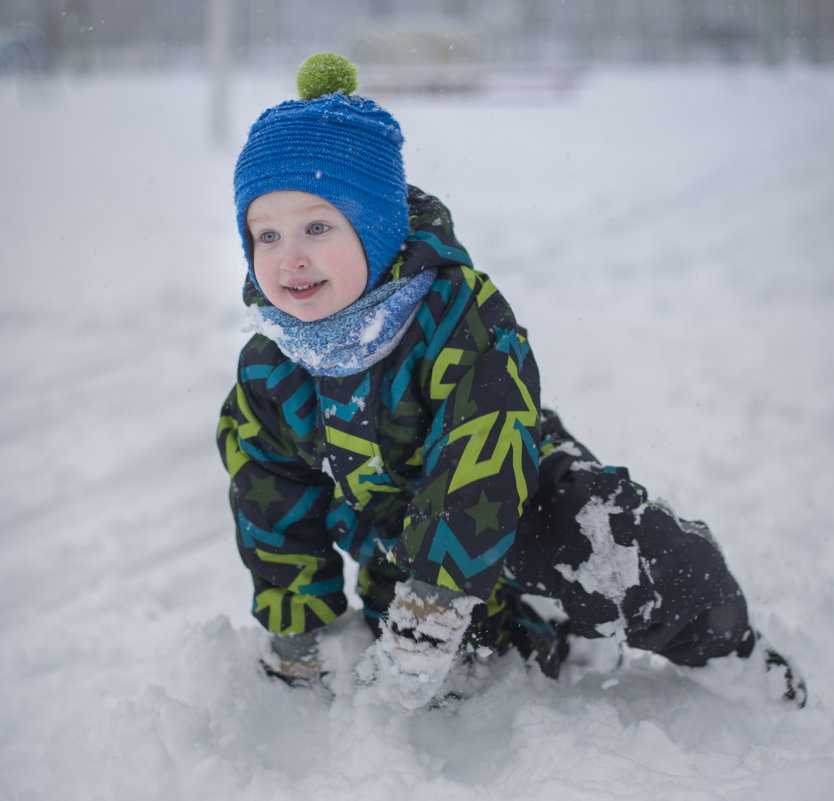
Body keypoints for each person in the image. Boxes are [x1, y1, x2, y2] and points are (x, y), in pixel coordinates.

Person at [217, 53, 805, 710]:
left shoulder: (454, 319)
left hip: (520, 494)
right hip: (403, 539)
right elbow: (270, 500)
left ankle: (728, 652)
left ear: (377, 227)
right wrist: (303, 629)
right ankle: (540, 635)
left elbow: (483, 456)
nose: (288, 257)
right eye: (264, 235)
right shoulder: (273, 364)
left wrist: (431, 607)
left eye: (317, 226)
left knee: (622, 553)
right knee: (471, 672)